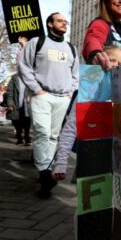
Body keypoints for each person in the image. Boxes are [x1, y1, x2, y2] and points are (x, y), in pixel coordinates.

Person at [51, 45, 121, 240]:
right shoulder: (87, 90)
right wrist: (61, 162)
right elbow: (70, 128)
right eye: (111, 59)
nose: (114, 66)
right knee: (90, 202)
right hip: (93, 156)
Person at [18, 12, 79, 198]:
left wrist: (70, 93)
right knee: (42, 132)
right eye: (60, 21)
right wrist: (36, 89)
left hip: (62, 98)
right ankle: (45, 173)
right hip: (42, 95)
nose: (64, 24)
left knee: (53, 136)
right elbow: (24, 66)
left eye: (65, 21)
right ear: (50, 24)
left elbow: (75, 74)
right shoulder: (36, 42)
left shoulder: (71, 48)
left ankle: (47, 168)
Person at [6, 73, 31, 146]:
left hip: (27, 104)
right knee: (17, 122)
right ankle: (19, 138)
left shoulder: (30, 77)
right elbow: (9, 92)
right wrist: (10, 103)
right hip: (16, 104)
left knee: (27, 121)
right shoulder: (14, 78)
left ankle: (27, 137)